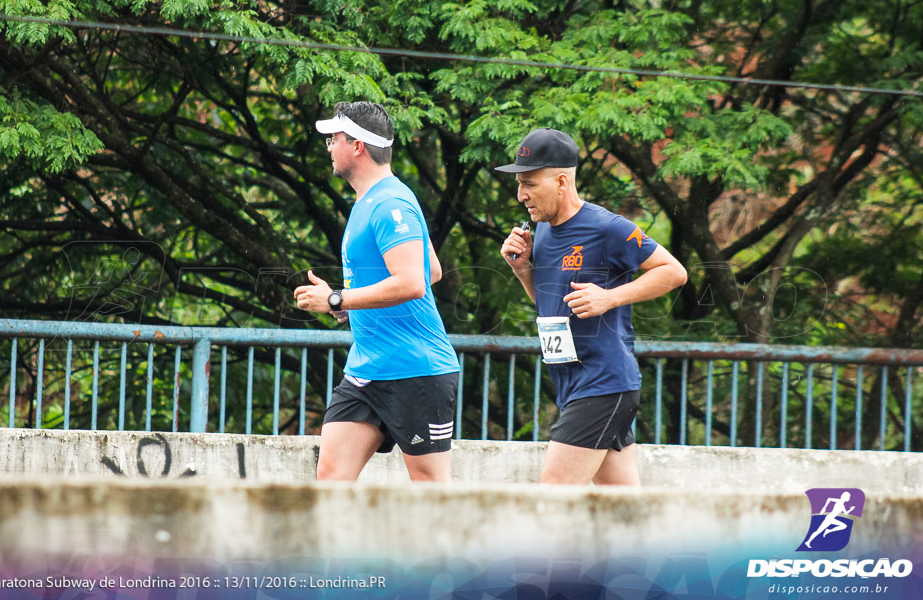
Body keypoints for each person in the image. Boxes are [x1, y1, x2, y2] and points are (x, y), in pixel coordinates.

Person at [496, 128, 687, 486]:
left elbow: (674, 272)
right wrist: (523, 271)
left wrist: (610, 297)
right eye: (519, 184)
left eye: (530, 184)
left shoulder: (607, 227)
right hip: (573, 383)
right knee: (621, 510)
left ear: (562, 182)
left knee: (552, 498)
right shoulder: (544, 230)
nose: (521, 195)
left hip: (603, 383)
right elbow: (551, 306)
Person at [294, 101, 460, 482]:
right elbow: (431, 270)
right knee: (331, 479)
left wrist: (338, 299)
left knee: (431, 491)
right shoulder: (370, 201)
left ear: (357, 146)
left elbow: (415, 281)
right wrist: (354, 308)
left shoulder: (390, 203)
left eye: (333, 139)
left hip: (415, 369)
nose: (328, 147)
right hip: (366, 371)